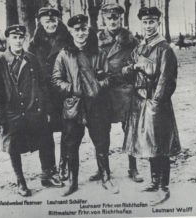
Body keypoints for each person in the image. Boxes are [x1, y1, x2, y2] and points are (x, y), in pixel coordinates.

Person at [0, 24, 62, 197]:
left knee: (45, 140)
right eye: (14, 37)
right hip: (12, 113)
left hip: (34, 110)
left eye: (21, 37)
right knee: (13, 146)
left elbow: (42, 85)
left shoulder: (31, 59)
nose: (18, 41)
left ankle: (47, 175)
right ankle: (21, 181)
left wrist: (47, 109)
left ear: (25, 39)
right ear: (8, 39)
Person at [52, 14, 118, 196]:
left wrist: (96, 86)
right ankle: (72, 182)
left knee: (102, 141)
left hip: (97, 105)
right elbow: (56, 79)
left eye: (84, 29)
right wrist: (73, 88)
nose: (80, 33)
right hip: (74, 105)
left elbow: (108, 77)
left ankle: (106, 177)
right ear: (71, 32)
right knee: (71, 144)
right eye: (76, 30)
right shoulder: (64, 54)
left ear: (88, 30)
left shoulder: (99, 52)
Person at [122, 7, 181, 197]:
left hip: (156, 104)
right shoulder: (140, 47)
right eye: (145, 22)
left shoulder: (165, 49)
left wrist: (156, 102)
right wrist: (133, 67)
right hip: (140, 102)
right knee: (149, 143)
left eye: (151, 22)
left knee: (161, 144)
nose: (148, 26)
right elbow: (127, 70)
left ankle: (164, 186)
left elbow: (166, 80)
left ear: (158, 23)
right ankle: (154, 182)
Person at [97, 3, 143, 183]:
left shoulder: (131, 40)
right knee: (101, 131)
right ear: (103, 19)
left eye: (116, 17)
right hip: (103, 91)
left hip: (125, 90)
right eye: (109, 18)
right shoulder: (96, 39)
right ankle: (103, 169)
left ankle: (133, 168)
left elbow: (139, 63)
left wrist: (129, 71)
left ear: (120, 19)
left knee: (130, 129)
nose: (112, 21)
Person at [29, 7, 72, 181]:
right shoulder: (33, 44)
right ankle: (48, 168)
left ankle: (64, 165)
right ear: (40, 22)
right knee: (44, 133)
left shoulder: (69, 40)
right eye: (47, 21)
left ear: (58, 21)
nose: (51, 24)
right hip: (44, 95)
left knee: (68, 131)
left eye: (54, 20)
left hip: (64, 93)